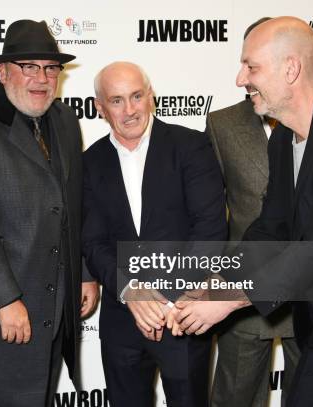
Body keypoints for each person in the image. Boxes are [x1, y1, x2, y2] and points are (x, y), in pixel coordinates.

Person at [172, 16, 313, 406]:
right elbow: (270, 229)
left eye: (251, 66)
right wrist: (216, 283)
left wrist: (227, 299)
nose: (240, 79)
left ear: (291, 68)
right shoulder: (282, 139)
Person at [0, 19, 99, 407]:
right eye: (30, 67)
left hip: (57, 304)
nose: (42, 79)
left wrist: (86, 273)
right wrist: (5, 300)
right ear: (4, 70)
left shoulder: (64, 119)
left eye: (51, 68)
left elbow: (74, 207)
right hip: (1, 308)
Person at [82, 61, 226, 407]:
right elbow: (93, 241)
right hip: (122, 320)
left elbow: (210, 227)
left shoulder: (191, 146)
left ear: (151, 97)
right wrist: (131, 291)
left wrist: (166, 298)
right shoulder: (89, 162)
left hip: (183, 315)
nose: (130, 110)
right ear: (100, 108)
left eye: (137, 96)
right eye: (116, 101)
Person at [206, 17, 300, 407]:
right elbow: (212, 211)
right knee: (234, 397)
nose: (242, 77)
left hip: (311, 292)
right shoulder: (222, 123)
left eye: (253, 65)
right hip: (243, 288)